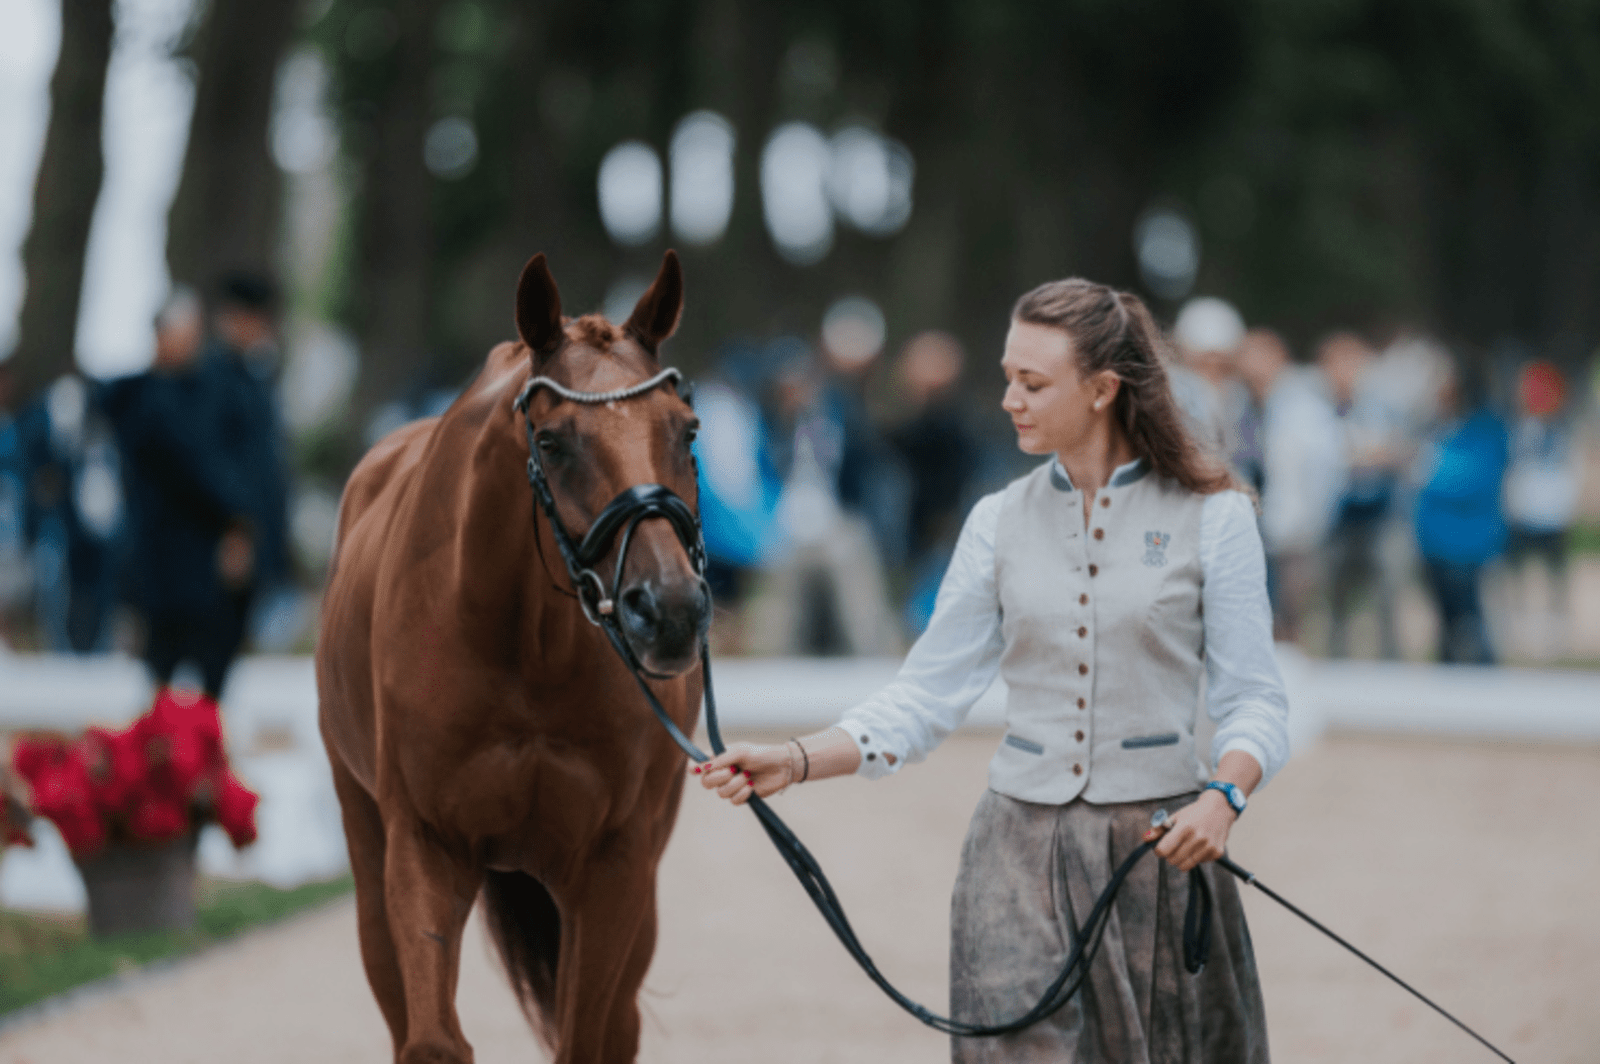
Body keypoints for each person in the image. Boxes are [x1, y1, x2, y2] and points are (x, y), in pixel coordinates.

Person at [699, 279, 1288, 1062]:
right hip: (1013, 861)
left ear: (1105, 389)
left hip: (1160, 851)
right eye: (1007, 376)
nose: (1009, 398)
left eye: (1033, 383)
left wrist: (1225, 796)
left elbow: (1255, 701)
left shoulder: (1217, 518)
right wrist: (796, 759)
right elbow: (924, 697)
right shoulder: (994, 522)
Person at [102, 288, 257, 698]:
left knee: (206, 673)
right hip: (167, 560)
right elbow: (195, 465)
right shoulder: (148, 398)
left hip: (196, 561)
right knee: (165, 674)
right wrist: (239, 513)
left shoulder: (200, 389)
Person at [1235, 328, 1345, 643]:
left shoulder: (1303, 408)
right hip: (1254, 532)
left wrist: (1309, 528)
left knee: (1290, 620)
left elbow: (1323, 476)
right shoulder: (1242, 405)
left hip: (1292, 536)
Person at [1413, 358, 1509, 665]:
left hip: (1467, 543)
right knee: (1446, 626)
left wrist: (1423, 470)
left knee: (1470, 624)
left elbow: (1477, 478)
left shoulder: (1486, 427)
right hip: (1434, 541)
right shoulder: (1436, 426)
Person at [1318, 332, 1406, 659]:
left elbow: (1400, 452)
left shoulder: (1384, 407)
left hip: (1380, 518)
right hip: (1337, 521)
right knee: (1336, 606)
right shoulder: (1316, 409)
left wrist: (1367, 455)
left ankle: (1389, 680)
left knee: (1386, 604)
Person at [1503, 360, 1582, 653]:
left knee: (1555, 572)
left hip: (1554, 512)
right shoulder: (1519, 429)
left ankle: (1557, 624)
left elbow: (1573, 469)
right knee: (1518, 570)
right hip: (1524, 510)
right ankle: (1518, 622)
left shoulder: (1564, 431)